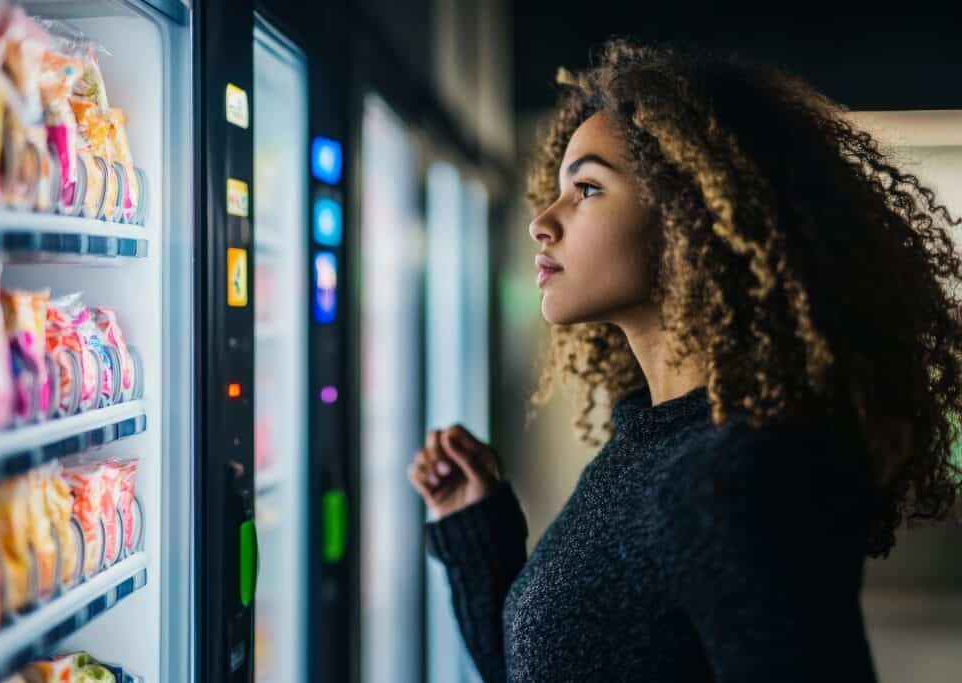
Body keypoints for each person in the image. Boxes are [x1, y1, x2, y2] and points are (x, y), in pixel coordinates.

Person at [407, 37, 962, 682]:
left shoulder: (731, 473)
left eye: (585, 188)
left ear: (689, 217)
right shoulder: (655, 443)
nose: (542, 221)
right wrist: (478, 531)